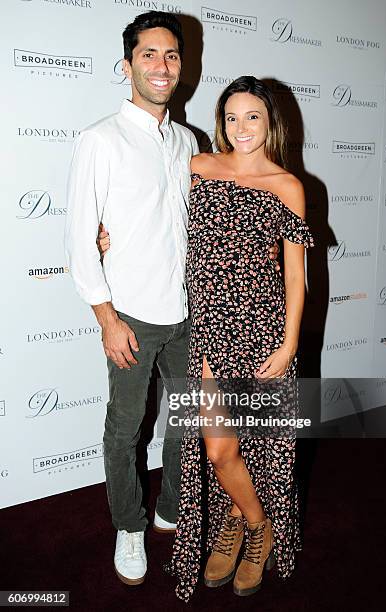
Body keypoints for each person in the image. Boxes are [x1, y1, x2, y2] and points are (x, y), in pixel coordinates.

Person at [164, 76, 314, 601]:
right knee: (218, 446)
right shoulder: (198, 168)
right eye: (231, 117)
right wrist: (106, 234)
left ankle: (239, 521)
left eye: (253, 116)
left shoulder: (287, 185)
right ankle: (257, 522)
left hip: (264, 329)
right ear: (220, 121)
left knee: (256, 442)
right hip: (210, 331)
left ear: (271, 120)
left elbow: (295, 275)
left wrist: (290, 342)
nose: (241, 127)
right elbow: (155, 217)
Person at [64, 11, 199, 586]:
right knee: (125, 430)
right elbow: (78, 236)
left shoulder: (189, 141)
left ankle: (170, 504)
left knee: (190, 420)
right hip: (133, 316)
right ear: (127, 66)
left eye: (170, 55)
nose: (161, 66)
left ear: (181, 66)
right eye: (149, 55)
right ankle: (129, 527)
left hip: (188, 312)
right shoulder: (100, 138)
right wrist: (106, 316)